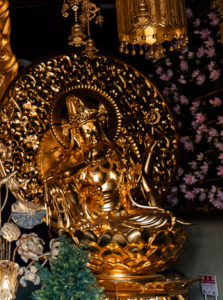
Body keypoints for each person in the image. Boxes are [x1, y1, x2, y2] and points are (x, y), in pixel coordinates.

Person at [40, 94, 174, 234]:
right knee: (90, 226)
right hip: (95, 221)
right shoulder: (74, 161)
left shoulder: (119, 153)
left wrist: (150, 152)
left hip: (124, 215)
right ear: (78, 135)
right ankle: (91, 227)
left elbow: (143, 180)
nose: (92, 135)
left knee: (161, 218)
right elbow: (56, 175)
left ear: (101, 126)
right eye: (86, 132)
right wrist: (53, 180)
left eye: (94, 129)